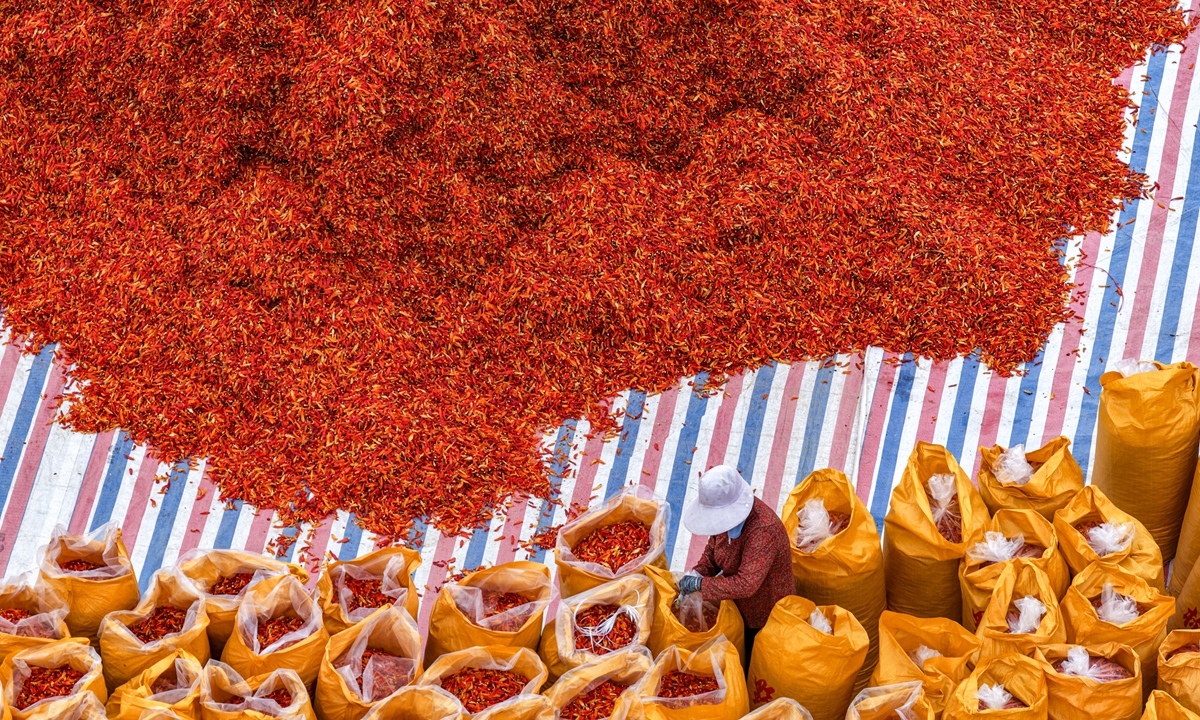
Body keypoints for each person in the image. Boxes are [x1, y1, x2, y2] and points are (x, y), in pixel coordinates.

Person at [677, 464, 793, 663]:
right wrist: (698, 573)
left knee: (756, 656)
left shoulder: (763, 529)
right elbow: (713, 550)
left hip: (764, 607)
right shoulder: (723, 523)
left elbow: (746, 584)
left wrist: (700, 585)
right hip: (737, 604)